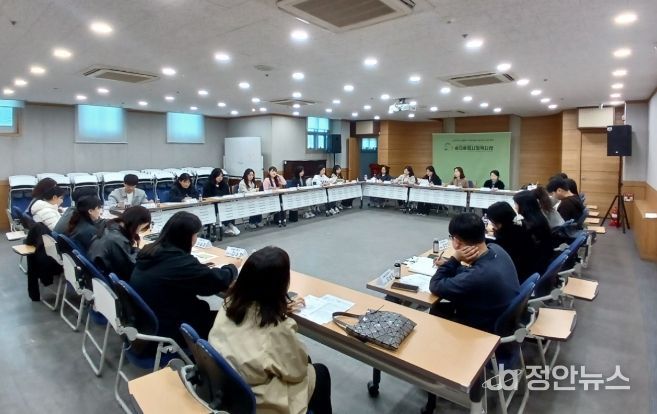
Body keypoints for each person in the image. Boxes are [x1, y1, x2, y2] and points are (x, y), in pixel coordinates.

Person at [209, 246, 332, 414]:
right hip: (255, 402)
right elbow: (297, 372)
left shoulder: (229, 304)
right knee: (319, 372)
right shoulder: (277, 329)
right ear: (281, 285)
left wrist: (279, 308)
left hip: (227, 387)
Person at [131, 211, 238, 342]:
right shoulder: (179, 263)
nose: (196, 238)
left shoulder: (150, 250)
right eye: (196, 234)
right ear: (187, 237)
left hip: (149, 321)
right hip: (175, 327)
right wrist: (232, 267)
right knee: (235, 321)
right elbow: (217, 281)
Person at [429, 213, 520, 333]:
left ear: (457, 242)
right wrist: (450, 265)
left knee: (435, 310)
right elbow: (472, 273)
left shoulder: (477, 276)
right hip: (500, 315)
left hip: (482, 328)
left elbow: (435, 285)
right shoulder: (496, 249)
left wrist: (454, 259)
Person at [487, 202, 552, 283]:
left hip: (519, 275)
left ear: (498, 222)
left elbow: (498, 254)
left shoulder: (506, 237)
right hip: (532, 269)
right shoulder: (520, 226)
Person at [88, 206, 152, 281]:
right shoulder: (117, 240)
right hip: (109, 279)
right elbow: (131, 268)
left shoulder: (109, 227)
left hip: (100, 275)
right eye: (141, 228)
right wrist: (140, 250)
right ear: (136, 224)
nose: (138, 232)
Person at [203, 168, 240, 236]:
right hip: (211, 204)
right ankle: (229, 226)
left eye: (221, 176)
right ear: (214, 176)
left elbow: (227, 194)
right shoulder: (208, 184)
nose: (220, 178)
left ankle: (230, 226)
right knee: (218, 209)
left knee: (229, 208)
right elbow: (205, 196)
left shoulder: (224, 184)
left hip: (222, 203)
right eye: (218, 176)